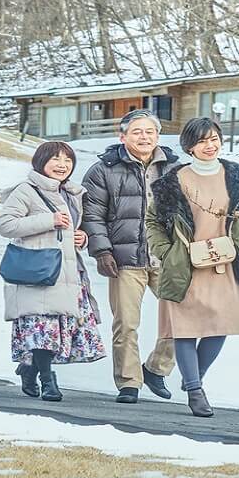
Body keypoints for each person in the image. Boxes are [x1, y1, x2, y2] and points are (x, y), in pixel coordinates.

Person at [145, 116, 239, 418]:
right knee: (185, 328)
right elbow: (153, 221)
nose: (210, 146)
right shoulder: (171, 182)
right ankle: (195, 389)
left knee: (220, 325)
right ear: (189, 146)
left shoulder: (238, 176)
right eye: (201, 141)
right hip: (185, 264)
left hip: (227, 263)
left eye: (214, 139)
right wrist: (167, 252)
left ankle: (193, 377)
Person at [80, 110, 181, 404]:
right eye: (137, 131)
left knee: (183, 319)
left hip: (166, 258)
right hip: (125, 260)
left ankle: (156, 368)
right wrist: (101, 250)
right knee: (126, 323)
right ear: (122, 136)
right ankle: (129, 382)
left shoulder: (175, 168)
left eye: (150, 131)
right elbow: (92, 214)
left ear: (158, 137)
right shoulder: (103, 170)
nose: (144, 137)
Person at [0, 140, 106, 403]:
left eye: (67, 160)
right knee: (42, 326)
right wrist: (50, 220)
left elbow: (69, 229)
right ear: (40, 161)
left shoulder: (71, 193)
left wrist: (81, 237)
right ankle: (48, 380)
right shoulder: (25, 190)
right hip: (37, 270)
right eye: (55, 159)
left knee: (56, 329)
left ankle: (29, 368)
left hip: (67, 272)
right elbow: (6, 225)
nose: (62, 165)